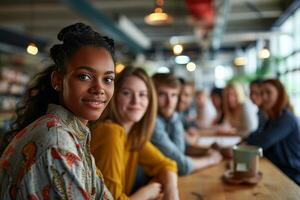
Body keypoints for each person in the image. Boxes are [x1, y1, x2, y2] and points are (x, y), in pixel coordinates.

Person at [0, 23, 115, 199]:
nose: (99, 88)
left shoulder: (72, 133)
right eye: (84, 76)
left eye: (108, 79)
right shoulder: (57, 141)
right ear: (58, 80)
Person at [90, 67, 179, 200]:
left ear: (150, 101)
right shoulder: (110, 132)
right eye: (127, 93)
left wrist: (172, 192)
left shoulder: (132, 136)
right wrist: (146, 193)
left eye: (142, 94)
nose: (136, 102)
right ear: (114, 96)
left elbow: (167, 165)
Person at [150, 73, 222, 176]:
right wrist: (211, 160)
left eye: (173, 95)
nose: (169, 101)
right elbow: (180, 165)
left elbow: (185, 147)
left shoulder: (170, 117)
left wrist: (208, 150)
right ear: (152, 96)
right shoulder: (153, 122)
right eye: (162, 94)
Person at [245, 79, 300, 185]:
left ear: (280, 94)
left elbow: (261, 142)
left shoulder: (287, 119)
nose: (264, 97)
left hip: (291, 177)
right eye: (261, 93)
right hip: (276, 171)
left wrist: (240, 146)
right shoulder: (272, 118)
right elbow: (257, 135)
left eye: (268, 92)